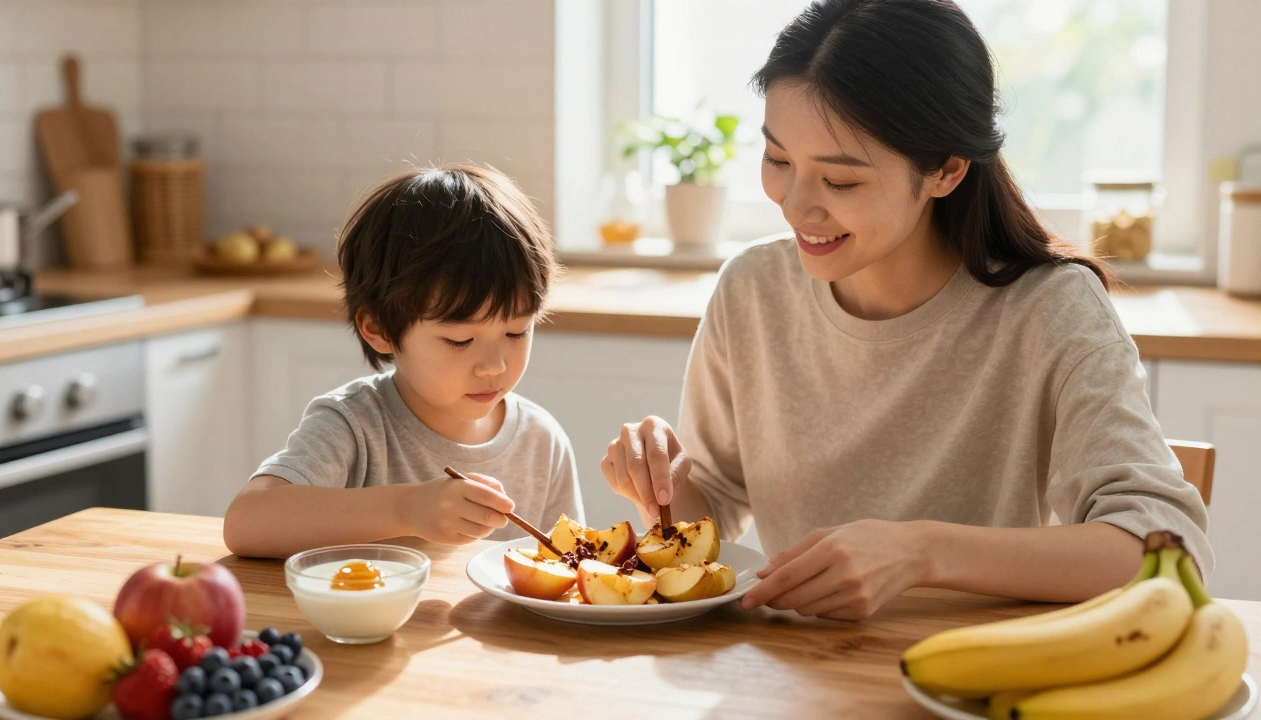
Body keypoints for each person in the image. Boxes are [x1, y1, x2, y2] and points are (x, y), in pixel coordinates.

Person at [600, 0, 1210, 620]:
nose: (795, 206)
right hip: (790, 677)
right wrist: (662, 486)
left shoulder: (1048, 310)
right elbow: (720, 504)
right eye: (778, 161)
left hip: (965, 686)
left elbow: (1173, 556)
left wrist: (922, 551)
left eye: (840, 181)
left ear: (945, 169)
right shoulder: (752, 290)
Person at [224, 164, 583, 558]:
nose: (494, 366)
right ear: (378, 328)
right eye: (460, 340)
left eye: (517, 332)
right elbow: (246, 522)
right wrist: (407, 509)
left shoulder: (542, 441)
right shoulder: (355, 424)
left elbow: (567, 570)